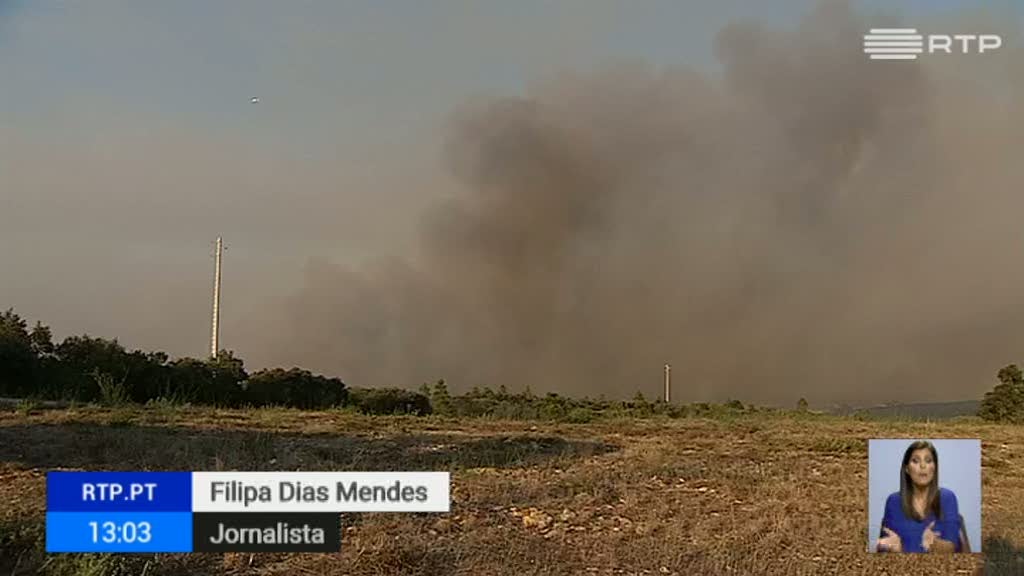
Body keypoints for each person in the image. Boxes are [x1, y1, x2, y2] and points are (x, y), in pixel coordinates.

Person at [876, 440, 965, 553]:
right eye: (915, 461)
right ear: (907, 469)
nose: (923, 466)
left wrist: (935, 545)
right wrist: (895, 550)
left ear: (934, 468)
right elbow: (886, 546)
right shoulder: (893, 501)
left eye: (928, 461)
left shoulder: (947, 498)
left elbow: (952, 547)